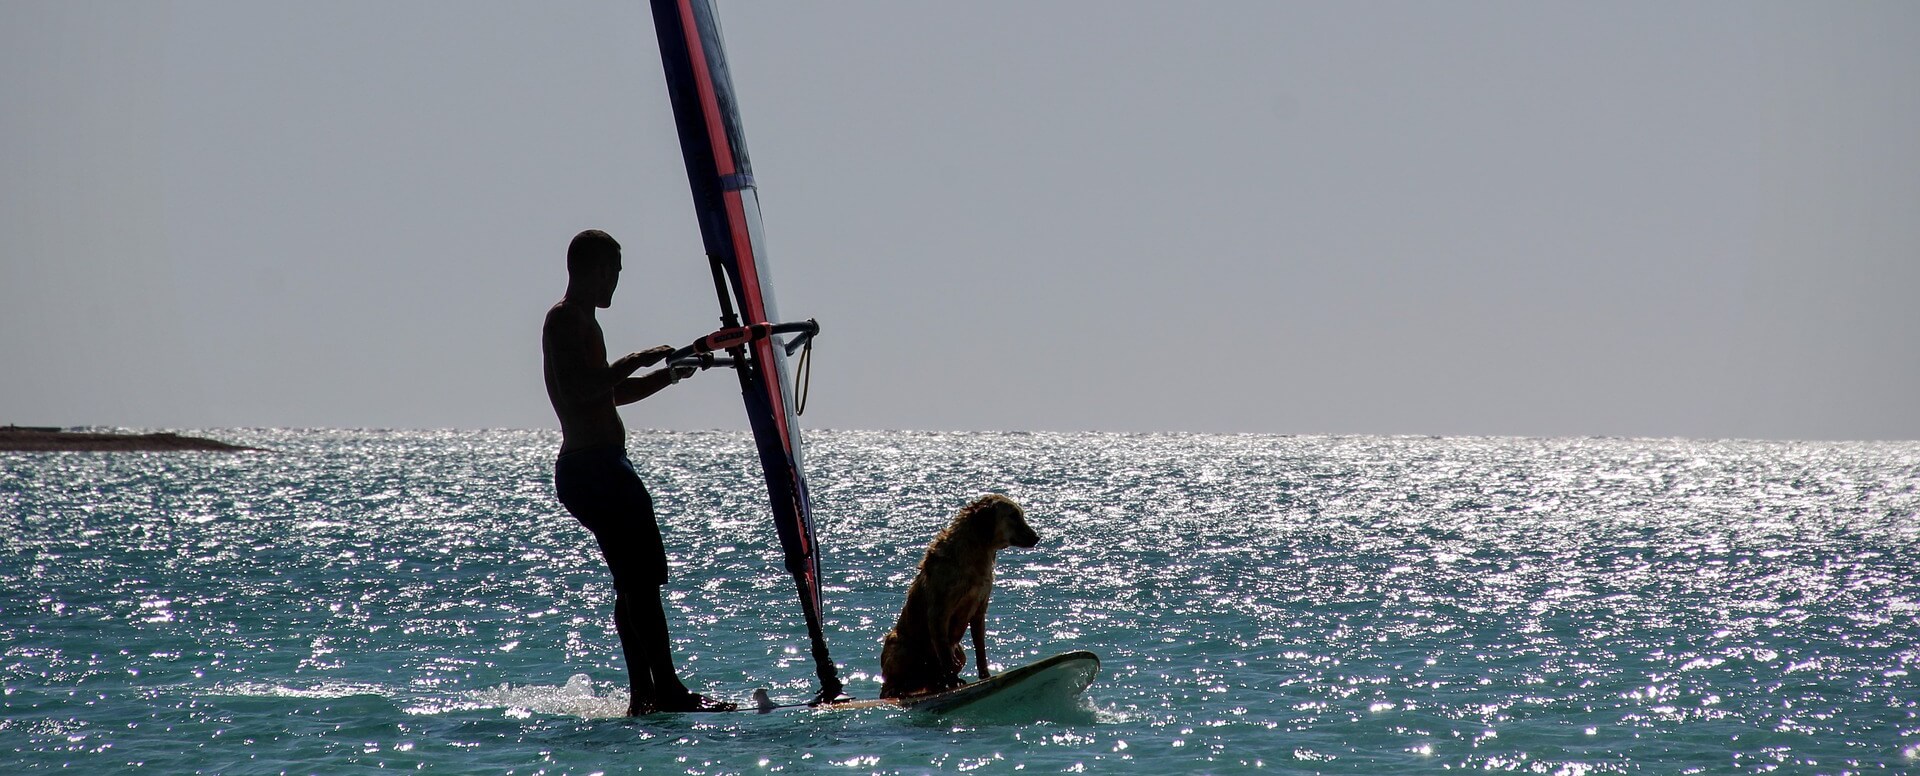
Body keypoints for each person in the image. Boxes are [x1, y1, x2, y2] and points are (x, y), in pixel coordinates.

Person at [542, 229, 735, 714]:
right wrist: (633, 360)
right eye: (615, 273)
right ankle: (665, 690)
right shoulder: (564, 320)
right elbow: (579, 389)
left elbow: (609, 394)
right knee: (641, 580)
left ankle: (643, 695)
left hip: (602, 466)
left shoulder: (587, 323)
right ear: (596, 269)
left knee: (632, 581)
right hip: (592, 468)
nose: (616, 284)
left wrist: (667, 374)